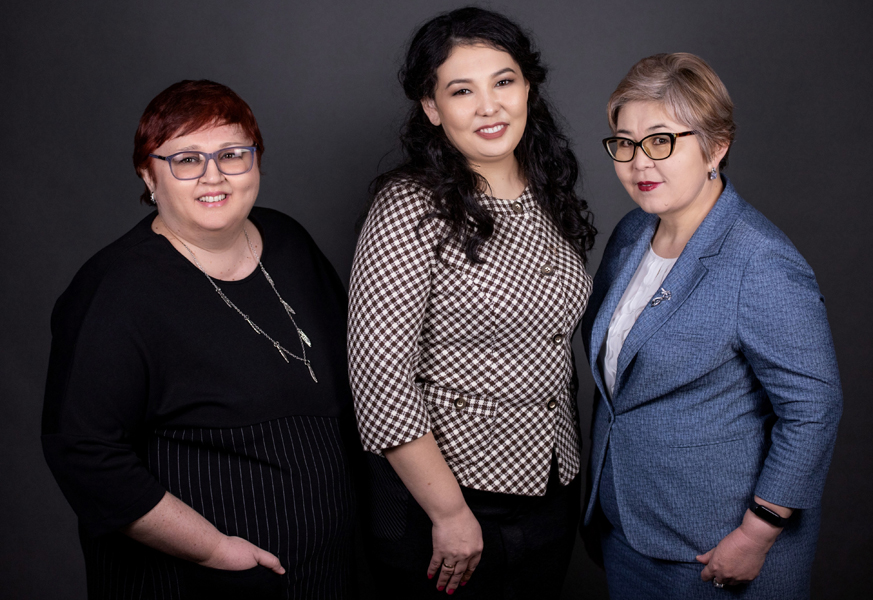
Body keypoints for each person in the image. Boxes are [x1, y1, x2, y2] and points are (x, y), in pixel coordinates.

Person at [42, 79, 358, 600]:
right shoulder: (114, 290)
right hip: (200, 581)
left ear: (257, 161)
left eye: (232, 154)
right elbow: (84, 453)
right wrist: (214, 551)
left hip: (324, 573)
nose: (214, 176)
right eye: (186, 160)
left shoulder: (289, 241)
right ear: (149, 174)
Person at [348, 7, 596, 598]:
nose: (490, 106)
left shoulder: (547, 192)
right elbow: (380, 380)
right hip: (451, 502)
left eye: (503, 81)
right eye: (462, 90)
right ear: (432, 108)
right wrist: (450, 514)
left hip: (551, 488)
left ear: (527, 87)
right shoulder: (409, 207)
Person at [581, 53, 842, 599]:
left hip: (717, 548)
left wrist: (758, 531)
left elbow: (813, 408)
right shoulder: (631, 233)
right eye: (624, 143)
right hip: (627, 530)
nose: (639, 163)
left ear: (716, 146)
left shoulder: (760, 261)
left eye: (660, 141)